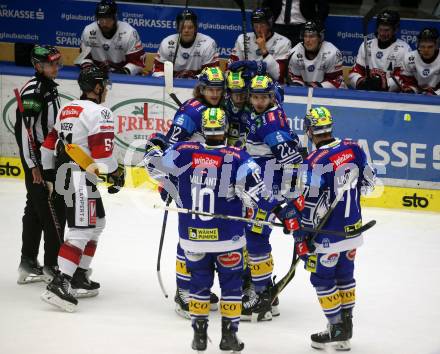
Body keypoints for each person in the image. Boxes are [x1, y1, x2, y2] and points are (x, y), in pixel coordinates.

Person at [145, 107, 291, 352]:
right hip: (228, 240)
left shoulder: (182, 152)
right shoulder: (237, 156)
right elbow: (261, 194)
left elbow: (153, 167)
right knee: (232, 288)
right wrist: (285, 211)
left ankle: (199, 335)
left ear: (202, 130)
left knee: (199, 286)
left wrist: (153, 146)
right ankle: (228, 336)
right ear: (224, 130)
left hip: (192, 239)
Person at [281, 106, 376, 350]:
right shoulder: (353, 147)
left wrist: (301, 234)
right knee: (345, 276)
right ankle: (346, 328)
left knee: (322, 279)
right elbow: (369, 183)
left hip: (328, 236)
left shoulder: (314, 162)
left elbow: (310, 205)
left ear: (310, 131)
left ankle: (335, 327)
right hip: (353, 229)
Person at [40, 65, 125, 312]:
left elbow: (48, 144)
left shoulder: (68, 108)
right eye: (105, 85)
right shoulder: (101, 112)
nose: (106, 89)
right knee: (82, 229)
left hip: (66, 175)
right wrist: (116, 172)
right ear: (97, 87)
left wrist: (48, 175)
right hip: (79, 178)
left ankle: (78, 275)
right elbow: (103, 158)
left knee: (96, 223)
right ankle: (60, 282)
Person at [147, 66, 226, 318]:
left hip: (212, 179)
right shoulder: (191, 111)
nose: (215, 93)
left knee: (208, 233)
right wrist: (168, 183)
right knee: (190, 235)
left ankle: (198, 286)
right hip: (189, 181)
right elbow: (172, 148)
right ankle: (184, 291)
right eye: (210, 89)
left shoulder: (217, 110)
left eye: (218, 89)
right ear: (201, 88)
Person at [242, 74, 303, 321]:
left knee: (255, 237)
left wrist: (288, 200)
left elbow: (292, 160)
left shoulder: (270, 123)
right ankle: (266, 292)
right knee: (255, 237)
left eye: (263, 97)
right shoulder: (272, 112)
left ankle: (262, 296)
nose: (258, 101)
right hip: (261, 185)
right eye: (255, 96)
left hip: (266, 188)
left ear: (271, 97)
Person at [14, 45, 66, 285]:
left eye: (57, 62)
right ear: (38, 66)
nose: (56, 67)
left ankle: (27, 262)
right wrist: (33, 166)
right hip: (39, 163)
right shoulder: (34, 91)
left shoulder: (47, 86)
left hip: (46, 160)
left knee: (34, 211)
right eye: (52, 63)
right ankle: (52, 266)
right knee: (53, 212)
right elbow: (24, 133)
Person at [75, 0, 144, 75]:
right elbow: (85, 58)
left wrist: (124, 72)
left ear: (115, 17)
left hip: (123, 76)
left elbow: (137, 63)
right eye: (101, 19)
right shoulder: (88, 31)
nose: (104, 23)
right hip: (97, 75)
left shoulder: (129, 33)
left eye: (108, 18)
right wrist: (89, 68)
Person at [348, 9, 411, 91]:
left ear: (395, 30)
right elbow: (354, 72)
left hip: (391, 98)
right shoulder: (367, 45)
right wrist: (361, 82)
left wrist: (383, 84)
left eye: (386, 30)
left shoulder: (404, 49)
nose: (382, 34)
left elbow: (404, 79)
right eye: (380, 29)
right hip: (367, 95)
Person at [229, 8, 291, 83]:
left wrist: (264, 50)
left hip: (271, 87)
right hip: (247, 84)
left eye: (262, 25)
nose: (258, 29)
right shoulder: (243, 39)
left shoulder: (283, 42)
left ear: (269, 24)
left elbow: (278, 75)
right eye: (256, 25)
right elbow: (230, 67)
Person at [152, 9, 219, 78]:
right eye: (183, 27)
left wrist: (194, 79)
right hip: (172, 86)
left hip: (198, 85)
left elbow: (212, 73)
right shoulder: (166, 43)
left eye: (190, 27)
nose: (186, 30)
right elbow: (158, 71)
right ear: (178, 28)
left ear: (195, 28)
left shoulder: (208, 44)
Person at [288, 21, 345, 88]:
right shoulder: (294, 53)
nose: (307, 40)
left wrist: (317, 86)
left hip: (331, 94)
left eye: (312, 36)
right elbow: (295, 77)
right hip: (305, 92)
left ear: (320, 38)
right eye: (305, 36)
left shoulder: (332, 53)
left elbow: (336, 81)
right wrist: (298, 85)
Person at [263, 0, 329, 47]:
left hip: (302, 27)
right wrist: (268, 22)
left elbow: (324, 6)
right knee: (275, 56)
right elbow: (266, 5)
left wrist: (316, 23)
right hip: (277, 26)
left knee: (300, 58)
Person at [400, 27, 440, 95]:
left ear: (436, 46)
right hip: (417, 94)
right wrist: (411, 89)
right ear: (418, 45)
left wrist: (435, 93)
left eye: (430, 47)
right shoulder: (409, 57)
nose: (426, 50)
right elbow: (407, 80)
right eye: (422, 46)